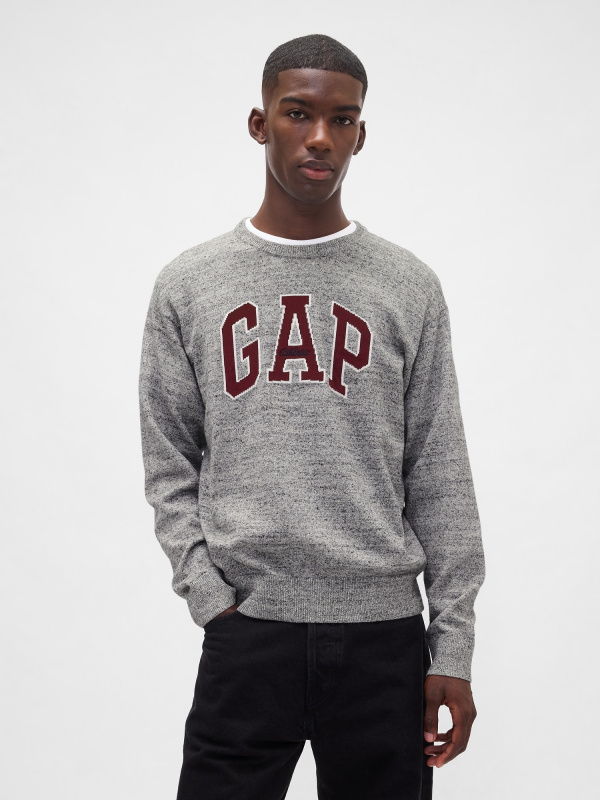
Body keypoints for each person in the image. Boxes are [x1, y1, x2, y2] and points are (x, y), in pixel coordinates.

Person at [138, 33, 485, 800]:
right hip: (247, 636)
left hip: (383, 643)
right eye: (298, 113)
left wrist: (452, 649)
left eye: (342, 119)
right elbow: (168, 464)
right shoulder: (189, 285)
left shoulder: (407, 285)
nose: (320, 136)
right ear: (259, 123)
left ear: (361, 134)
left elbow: (439, 471)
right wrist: (212, 601)